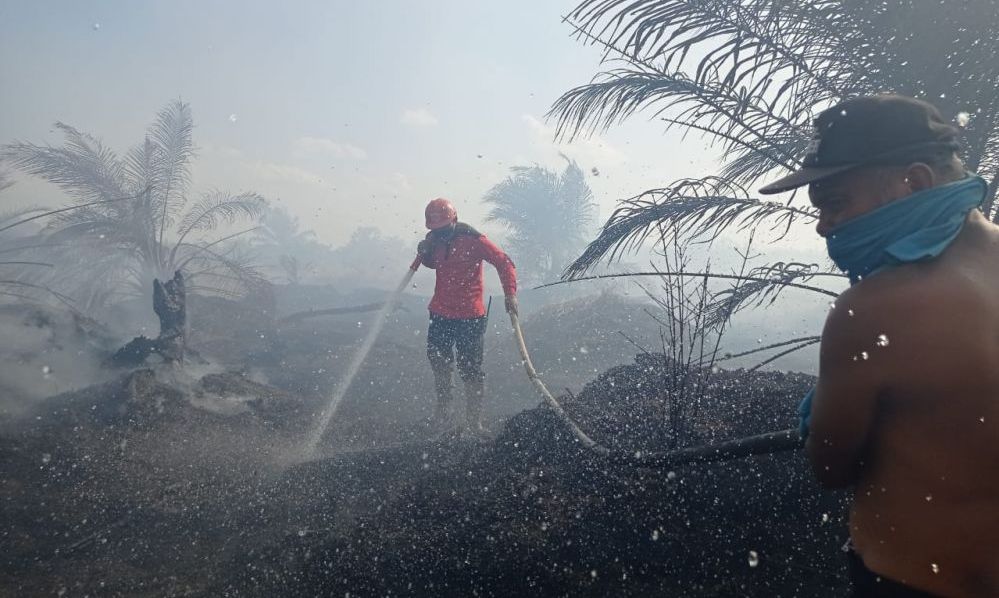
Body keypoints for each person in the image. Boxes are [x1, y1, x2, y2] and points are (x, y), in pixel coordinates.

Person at [759, 95, 999, 597]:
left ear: (914, 181)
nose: (824, 225)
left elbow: (831, 468)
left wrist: (824, 415)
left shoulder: (871, 311)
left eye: (836, 202)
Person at [417, 197, 517, 436]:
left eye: (442, 229)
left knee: (470, 369)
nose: (439, 234)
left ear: (454, 220)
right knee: (439, 363)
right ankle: (443, 413)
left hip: (469, 316)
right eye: (434, 230)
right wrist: (425, 253)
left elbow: (504, 263)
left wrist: (510, 294)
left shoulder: (474, 240)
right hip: (440, 312)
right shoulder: (434, 240)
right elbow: (435, 263)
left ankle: (474, 421)